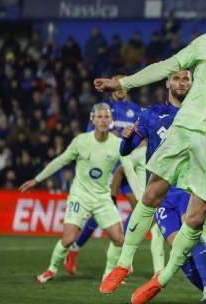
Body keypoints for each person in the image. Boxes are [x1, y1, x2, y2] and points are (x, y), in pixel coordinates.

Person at [95, 0, 206, 301]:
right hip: (185, 128)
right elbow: (168, 65)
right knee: (152, 192)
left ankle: (163, 276)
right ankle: (124, 263)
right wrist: (123, 82)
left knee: (196, 216)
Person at [119, 69, 206, 304]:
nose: (181, 82)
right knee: (179, 249)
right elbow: (126, 150)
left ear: (192, 83)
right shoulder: (151, 114)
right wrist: (126, 138)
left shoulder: (202, 113)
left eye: (186, 78)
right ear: (167, 82)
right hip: (160, 193)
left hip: (189, 186)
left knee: (189, 236)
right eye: (177, 78)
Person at [19, 103, 143, 283]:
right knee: (68, 239)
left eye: (106, 117)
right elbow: (61, 160)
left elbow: (130, 171)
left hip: (102, 197)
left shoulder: (118, 144)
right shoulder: (81, 141)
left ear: (111, 121)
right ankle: (51, 270)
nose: (103, 120)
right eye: (99, 116)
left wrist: (140, 197)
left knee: (119, 239)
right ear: (92, 119)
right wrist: (37, 180)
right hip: (80, 195)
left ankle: (108, 274)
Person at [64, 74, 161, 275]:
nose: (120, 88)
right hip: (108, 168)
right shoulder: (103, 109)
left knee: (140, 209)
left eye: (123, 84)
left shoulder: (135, 111)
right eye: (116, 84)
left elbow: (143, 136)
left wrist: (140, 141)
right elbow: (92, 135)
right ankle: (75, 248)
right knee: (99, 213)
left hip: (129, 167)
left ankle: (121, 253)